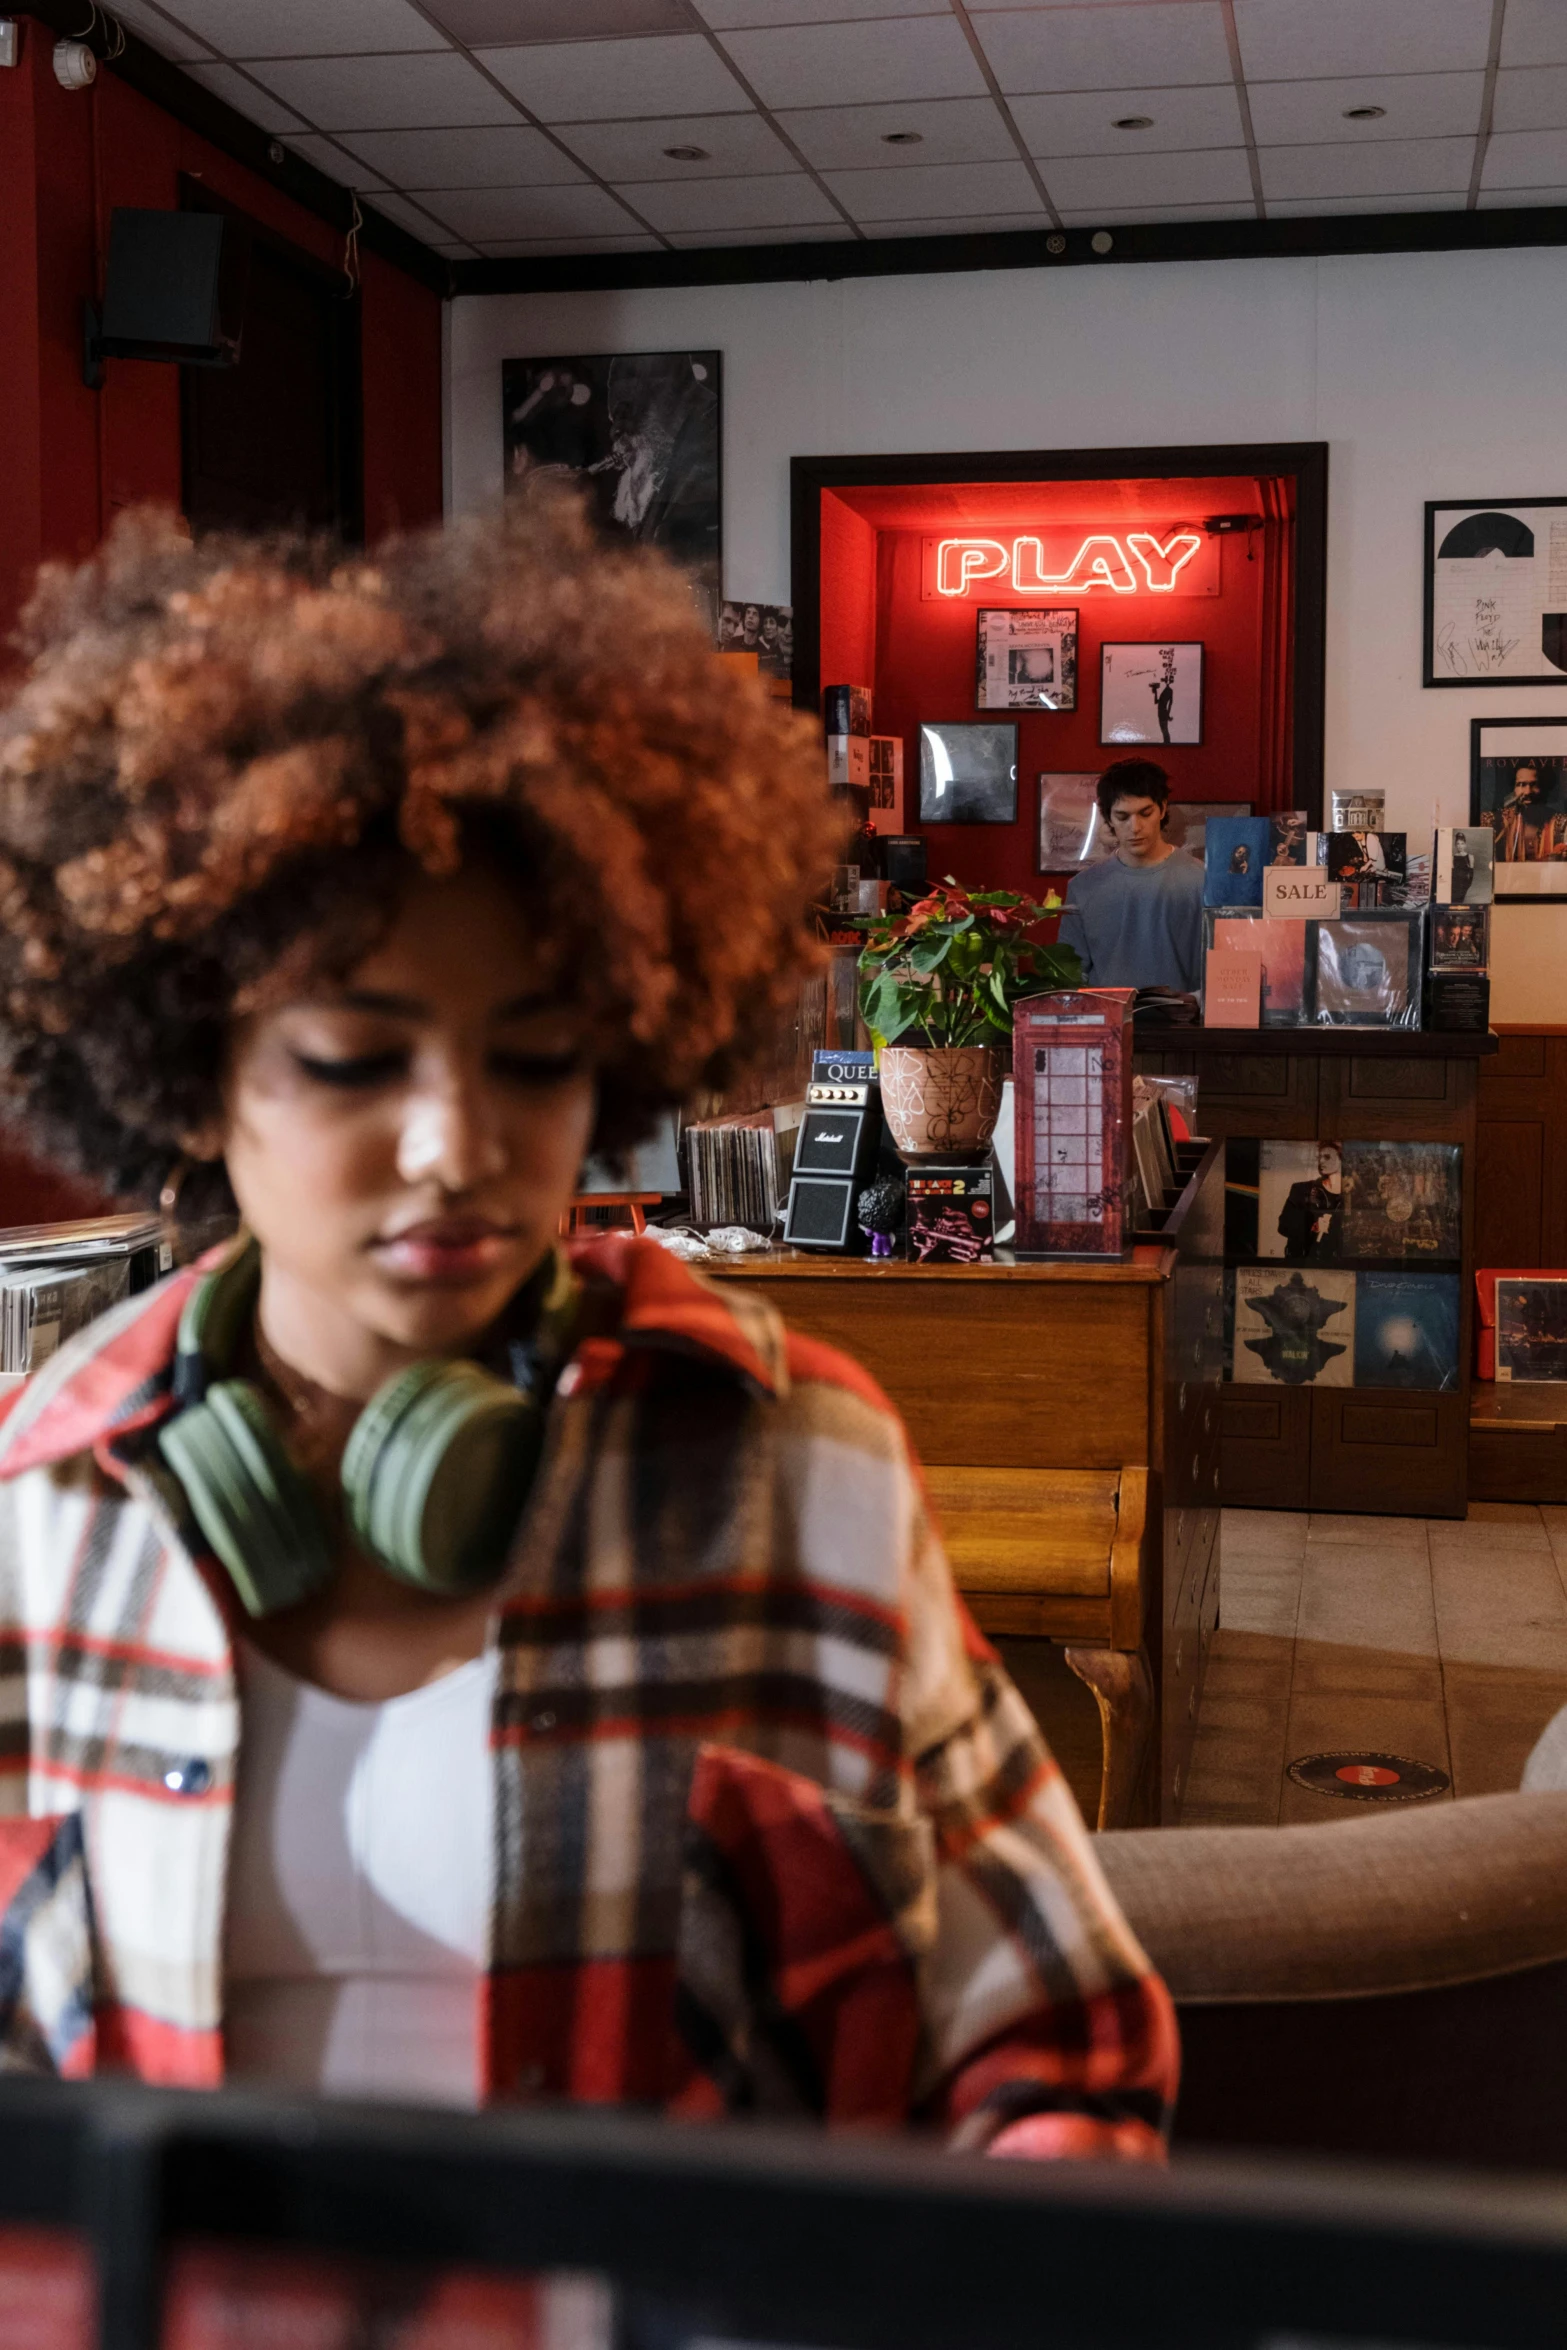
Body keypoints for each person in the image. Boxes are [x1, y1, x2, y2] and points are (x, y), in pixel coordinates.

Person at [0, 500, 1174, 2154]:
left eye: (537, 1055)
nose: (459, 1144)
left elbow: (1054, 2046)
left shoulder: (796, 1472)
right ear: (187, 1068)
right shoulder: (45, 1511)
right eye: (353, 1057)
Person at [1057, 757, 1204, 992]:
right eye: (1123, 817)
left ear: (1163, 808)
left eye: (1145, 813)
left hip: (1183, 1023)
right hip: (1106, 1022)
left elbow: (1224, 969)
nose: (1135, 827)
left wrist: (1197, 1001)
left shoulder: (1203, 880)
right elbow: (1069, 976)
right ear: (1108, 818)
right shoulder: (1082, 887)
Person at [1277, 1143, 1342, 1259]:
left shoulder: (1352, 1196)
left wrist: (1332, 1229)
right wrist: (1312, 1226)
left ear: (1342, 1160)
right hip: (1302, 1264)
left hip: (1335, 1268)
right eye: (1319, 1157)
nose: (1321, 1161)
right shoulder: (1301, 1189)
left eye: (1327, 1157)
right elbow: (1284, 1226)